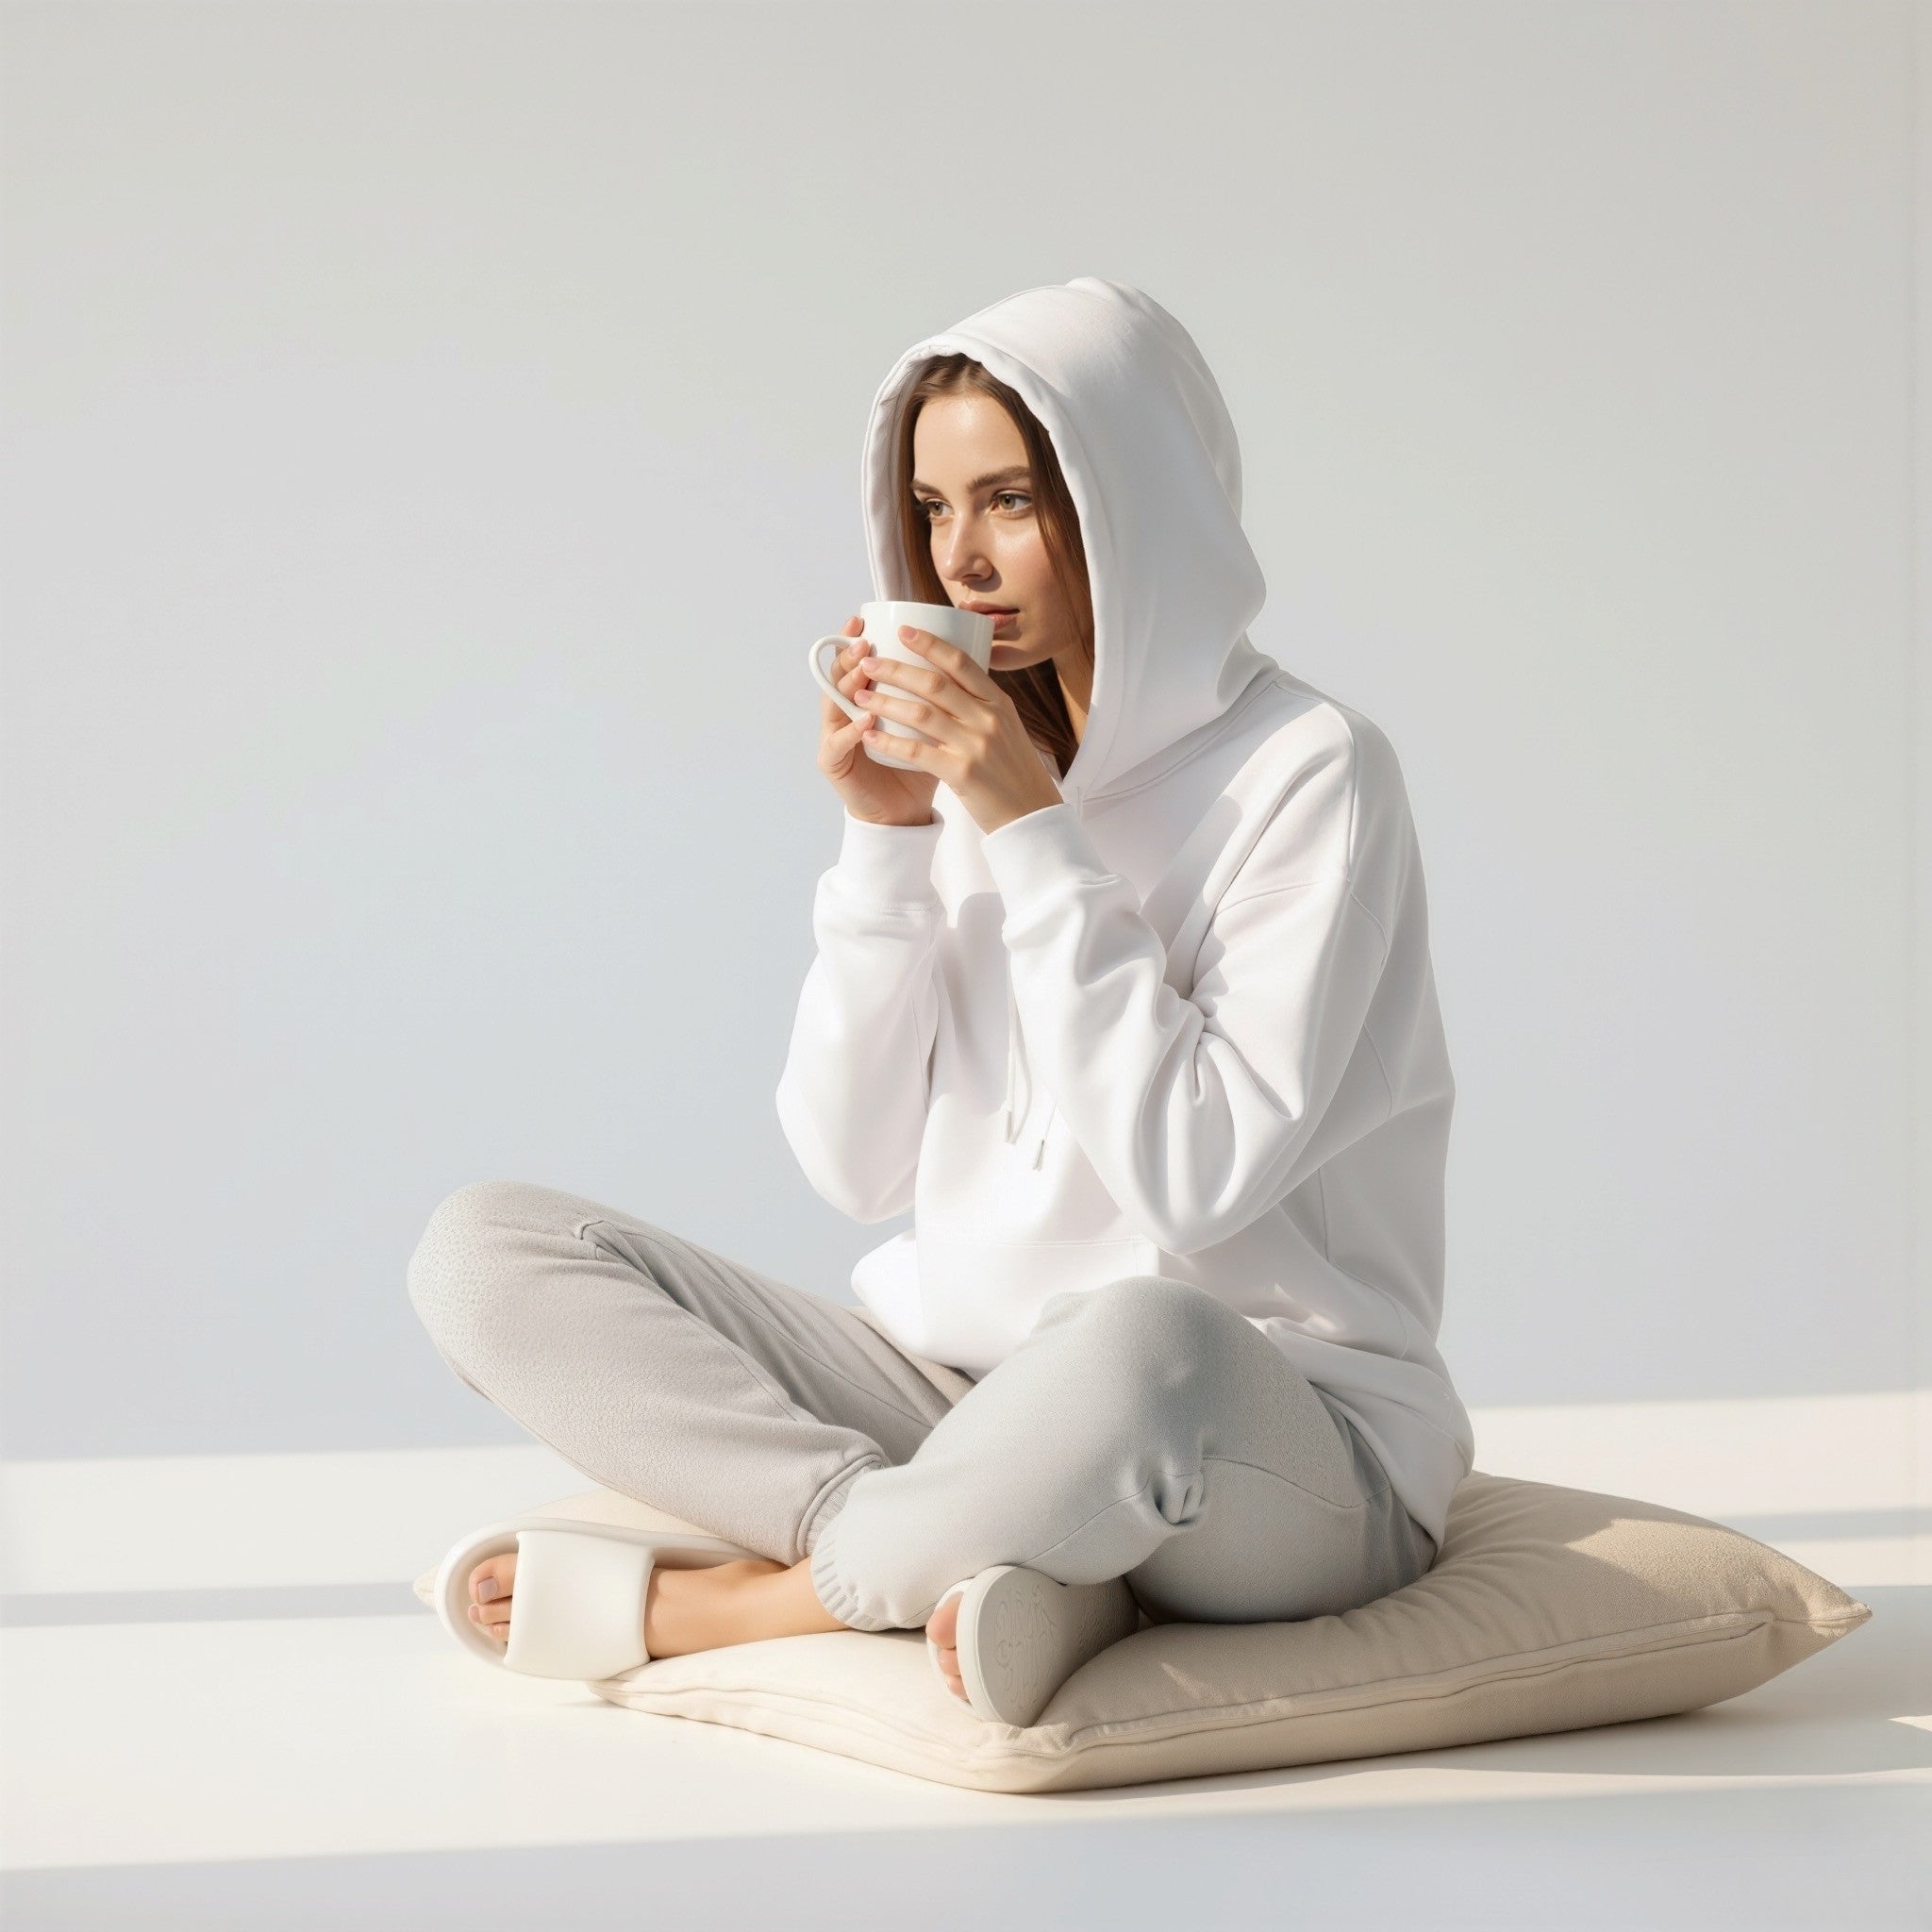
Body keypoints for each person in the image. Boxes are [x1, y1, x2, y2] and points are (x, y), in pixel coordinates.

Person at [407, 275, 1474, 1719]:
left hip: (1276, 1437)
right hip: (969, 1401)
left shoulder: (1314, 773)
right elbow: (853, 1169)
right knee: (483, 1251)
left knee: (1142, 1337)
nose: (960, 562)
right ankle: (1003, 1562)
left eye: (1013, 501)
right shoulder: (973, 764)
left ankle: (752, 1604)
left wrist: (1033, 831)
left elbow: (1197, 1179)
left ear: (1134, 502)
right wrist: (888, 839)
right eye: (931, 508)